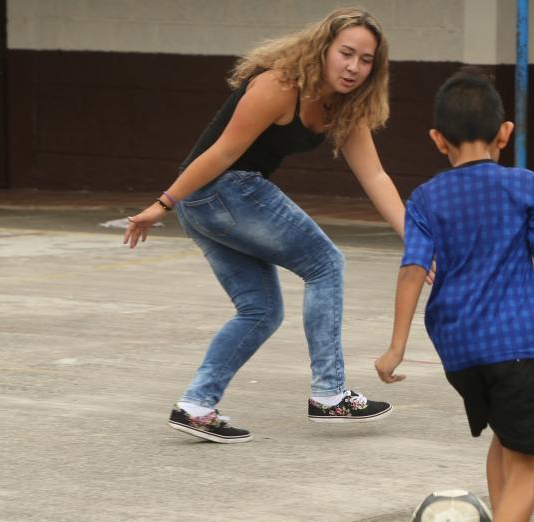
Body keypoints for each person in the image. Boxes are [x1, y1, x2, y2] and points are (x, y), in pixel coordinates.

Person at [123, 8, 405, 444]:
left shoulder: (344, 106)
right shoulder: (279, 85)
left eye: (366, 60)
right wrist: (163, 203)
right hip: (222, 190)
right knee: (326, 264)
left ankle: (197, 405)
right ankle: (329, 393)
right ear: (323, 48)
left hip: (206, 203)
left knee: (261, 310)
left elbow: (375, 176)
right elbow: (221, 154)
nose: (354, 67)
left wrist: (416, 240)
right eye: (346, 53)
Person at [375, 70, 534, 522]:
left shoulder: (424, 197)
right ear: (505, 133)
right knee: (530, 458)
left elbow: (413, 268)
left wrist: (397, 345)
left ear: (437, 140)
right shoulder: (526, 186)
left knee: (505, 438)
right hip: (516, 341)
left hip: (458, 351)